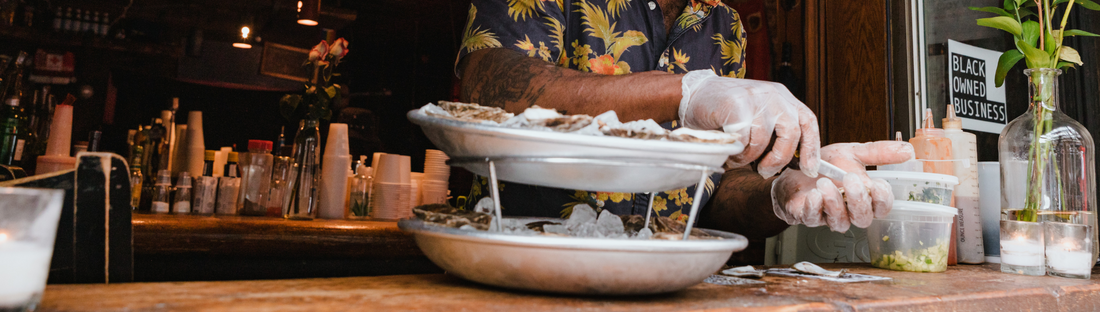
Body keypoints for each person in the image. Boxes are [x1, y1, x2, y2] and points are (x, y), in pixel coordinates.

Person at [455, 0, 912, 239]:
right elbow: (489, 82)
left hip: (664, 289)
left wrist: (784, 188)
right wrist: (686, 91)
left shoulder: (725, 25)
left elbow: (713, 189)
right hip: (520, 277)